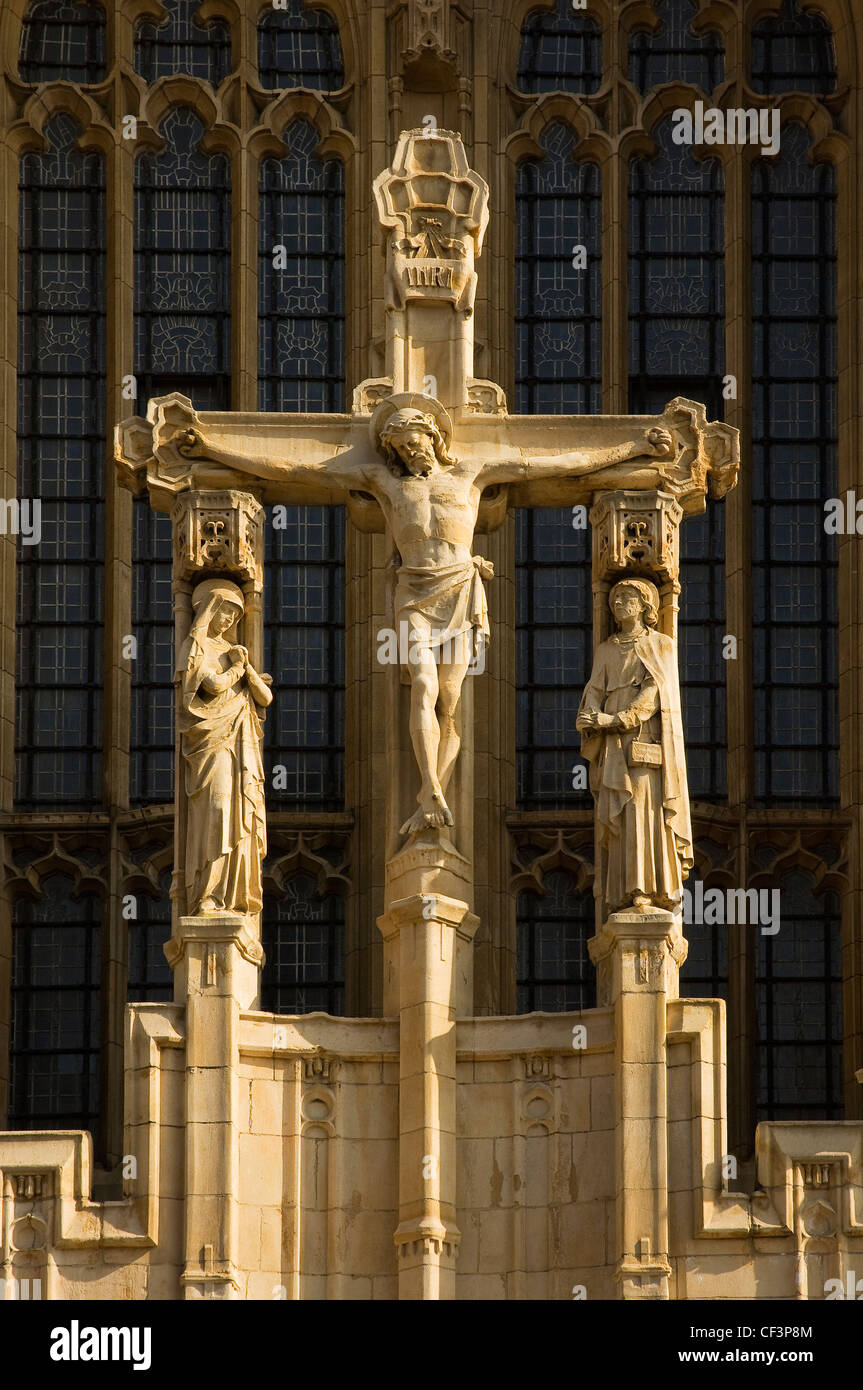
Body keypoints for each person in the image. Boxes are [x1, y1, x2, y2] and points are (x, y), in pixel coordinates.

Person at [576, 577, 692, 914]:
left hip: (641, 746)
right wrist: (588, 716)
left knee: (644, 813)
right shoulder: (607, 650)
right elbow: (595, 689)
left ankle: (647, 889)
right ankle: (624, 891)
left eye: (627, 597)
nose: (618, 603)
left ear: (645, 605)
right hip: (612, 748)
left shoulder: (661, 645)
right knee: (622, 818)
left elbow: (654, 696)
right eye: (615, 598)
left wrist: (613, 720)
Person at [177, 578, 273, 916]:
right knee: (217, 814)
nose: (229, 622)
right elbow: (213, 685)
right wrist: (236, 668)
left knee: (238, 817)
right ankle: (208, 895)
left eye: (235, 616)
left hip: (240, 745)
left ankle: (231, 896)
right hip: (210, 744)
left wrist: (247, 670)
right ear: (209, 610)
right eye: (225, 613)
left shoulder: (238, 656)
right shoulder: (198, 649)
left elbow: (266, 697)